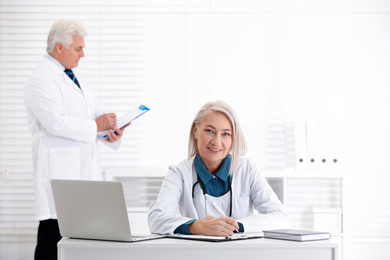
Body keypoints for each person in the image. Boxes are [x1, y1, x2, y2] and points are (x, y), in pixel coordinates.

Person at [24, 19, 128, 260]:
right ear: (59, 47)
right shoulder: (41, 79)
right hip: (59, 172)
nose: (83, 54)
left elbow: (91, 120)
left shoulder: (74, 77)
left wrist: (110, 133)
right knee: (52, 238)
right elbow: (56, 123)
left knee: (80, 243)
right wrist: (96, 125)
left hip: (82, 173)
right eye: (78, 48)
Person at [148, 101, 288, 236]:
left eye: (226, 134)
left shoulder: (248, 170)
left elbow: (279, 216)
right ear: (196, 131)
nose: (216, 142)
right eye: (209, 131)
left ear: (233, 139)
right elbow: (156, 219)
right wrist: (201, 226)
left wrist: (234, 226)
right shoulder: (179, 173)